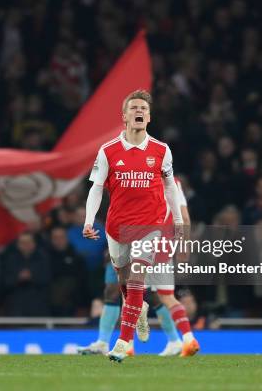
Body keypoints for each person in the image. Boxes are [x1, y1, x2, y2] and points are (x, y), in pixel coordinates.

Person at [82, 89, 198, 362]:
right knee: (124, 283)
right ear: (124, 116)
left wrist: (179, 224)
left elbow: (170, 188)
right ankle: (139, 311)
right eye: (133, 108)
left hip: (150, 224)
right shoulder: (108, 151)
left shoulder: (161, 150)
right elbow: (96, 188)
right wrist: (88, 221)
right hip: (117, 227)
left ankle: (123, 342)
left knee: (137, 277)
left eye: (143, 109)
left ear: (149, 116)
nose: (139, 112)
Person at [77, 176, 191, 357]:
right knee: (115, 291)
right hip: (118, 237)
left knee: (150, 295)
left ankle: (170, 340)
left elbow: (178, 216)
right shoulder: (116, 169)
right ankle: (107, 342)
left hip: (143, 239)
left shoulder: (154, 179)